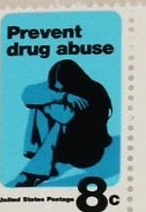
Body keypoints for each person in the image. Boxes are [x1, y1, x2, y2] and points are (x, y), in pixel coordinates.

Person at [11, 57, 113, 187]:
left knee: (45, 106)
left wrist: (48, 103)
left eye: (61, 87)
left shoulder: (92, 91)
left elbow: (65, 117)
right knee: (40, 101)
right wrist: (63, 96)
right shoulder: (64, 91)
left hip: (87, 152)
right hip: (65, 148)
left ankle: (35, 172)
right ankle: (40, 161)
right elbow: (28, 94)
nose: (58, 89)